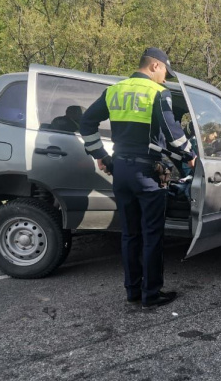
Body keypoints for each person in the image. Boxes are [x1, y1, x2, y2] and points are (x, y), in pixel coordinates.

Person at [79, 48, 196, 309]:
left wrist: (100, 155)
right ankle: (151, 294)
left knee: (130, 234)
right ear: (155, 66)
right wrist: (189, 154)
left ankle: (132, 291)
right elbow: (172, 131)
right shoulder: (157, 93)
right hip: (148, 174)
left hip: (120, 171)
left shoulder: (114, 90)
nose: (166, 79)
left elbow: (86, 123)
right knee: (151, 234)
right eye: (165, 71)